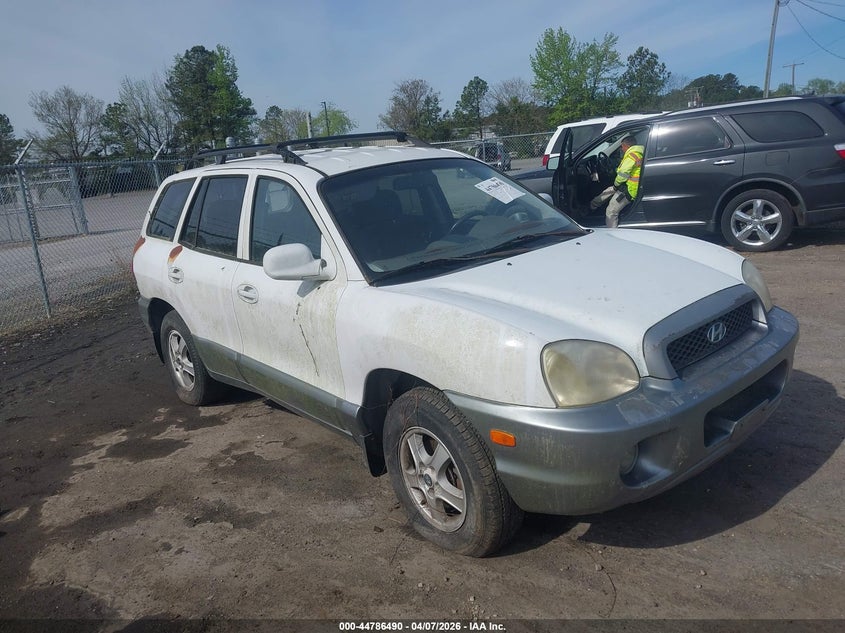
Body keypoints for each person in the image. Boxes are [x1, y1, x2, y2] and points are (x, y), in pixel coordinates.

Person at [590, 135, 644, 228]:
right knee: (608, 191)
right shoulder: (639, 153)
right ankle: (592, 206)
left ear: (626, 146)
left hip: (631, 189)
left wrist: (616, 184)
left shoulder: (631, 155)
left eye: (622, 147)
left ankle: (612, 234)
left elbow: (623, 174)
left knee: (611, 211)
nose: (622, 149)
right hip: (629, 185)